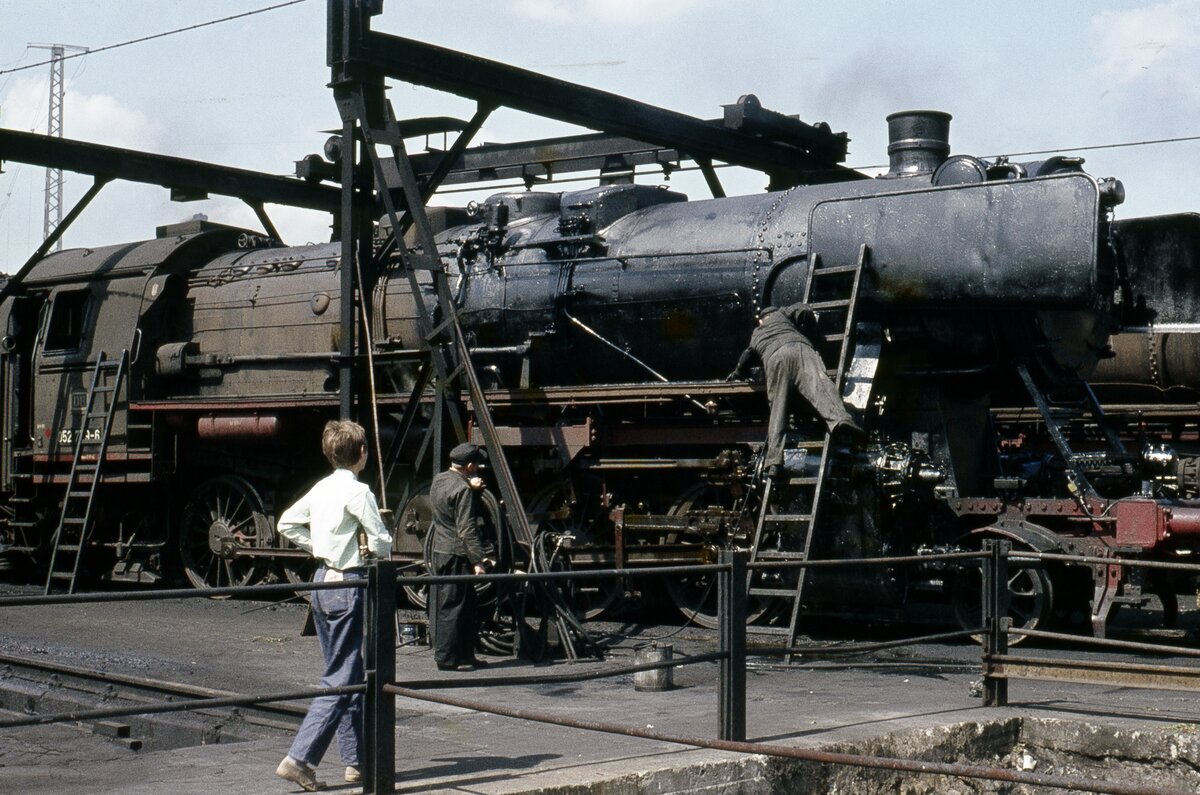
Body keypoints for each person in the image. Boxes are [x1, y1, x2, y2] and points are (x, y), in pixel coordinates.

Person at [274, 420, 393, 792]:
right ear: (362, 454)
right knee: (342, 677)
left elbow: (286, 524)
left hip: (322, 583)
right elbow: (380, 539)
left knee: (345, 671)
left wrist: (318, 548)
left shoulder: (321, 488)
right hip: (347, 583)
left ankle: (355, 762)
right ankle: (299, 758)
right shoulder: (359, 492)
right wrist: (381, 552)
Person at [728, 302, 864, 479]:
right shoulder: (782, 312)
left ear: (760, 321)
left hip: (774, 359)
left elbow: (746, 357)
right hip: (798, 347)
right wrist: (813, 334)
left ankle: (774, 462)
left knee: (778, 410)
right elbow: (804, 310)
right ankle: (840, 421)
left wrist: (736, 373)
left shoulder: (756, 334)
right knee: (820, 385)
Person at [428, 442, 497, 672]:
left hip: (442, 550)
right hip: (457, 554)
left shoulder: (440, 480)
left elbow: (449, 502)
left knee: (466, 607)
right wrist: (478, 560)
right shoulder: (463, 490)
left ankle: (466, 655)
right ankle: (446, 659)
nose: (478, 467)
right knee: (453, 607)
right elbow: (467, 528)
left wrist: (469, 485)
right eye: (476, 464)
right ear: (469, 466)